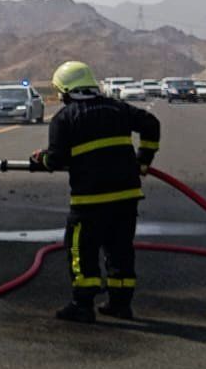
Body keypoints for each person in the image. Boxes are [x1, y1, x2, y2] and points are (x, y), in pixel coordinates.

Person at [28, 60, 161, 324]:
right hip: (126, 197)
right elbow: (151, 124)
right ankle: (120, 305)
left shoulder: (64, 118)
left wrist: (39, 160)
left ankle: (82, 305)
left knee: (81, 250)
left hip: (90, 201)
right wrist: (144, 159)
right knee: (120, 250)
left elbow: (55, 159)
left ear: (66, 90)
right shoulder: (118, 108)